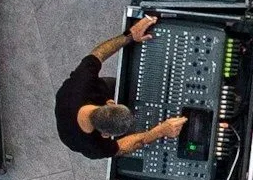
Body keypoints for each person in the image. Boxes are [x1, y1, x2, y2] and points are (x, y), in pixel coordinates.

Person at [54, 16, 185, 159]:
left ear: (110, 102)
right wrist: (159, 131)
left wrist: (130, 35)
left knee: (116, 85)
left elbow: (98, 54)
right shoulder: (93, 146)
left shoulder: (81, 82)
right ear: (105, 135)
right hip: (72, 131)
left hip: (96, 90)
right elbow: (122, 147)